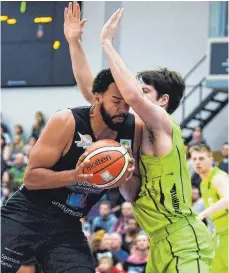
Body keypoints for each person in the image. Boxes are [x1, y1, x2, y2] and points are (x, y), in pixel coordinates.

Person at [65, 4, 215, 272]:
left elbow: (131, 96)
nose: (131, 97)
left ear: (163, 100)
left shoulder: (164, 124)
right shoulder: (133, 129)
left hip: (184, 239)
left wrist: (107, 43)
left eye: (145, 91)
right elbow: (93, 94)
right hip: (159, 242)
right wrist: (74, 41)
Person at [1, 20, 142, 273]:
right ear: (96, 97)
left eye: (128, 102)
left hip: (67, 225)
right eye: (116, 101)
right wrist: (75, 176)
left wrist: (127, 177)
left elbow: (130, 191)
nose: (123, 108)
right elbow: (31, 179)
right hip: (26, 216)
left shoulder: (132, 128)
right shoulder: (65, 121)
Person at [190, 144, 229, 273]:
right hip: (219, 234)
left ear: (211, 159)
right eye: (194, 159)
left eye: (201, 158)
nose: (197, 162)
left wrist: (202, 214)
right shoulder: (202, 184)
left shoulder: (218, 178)